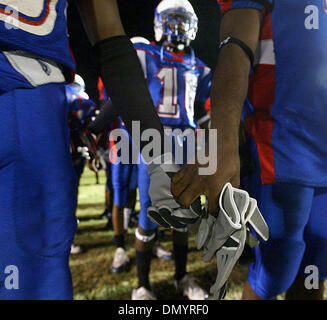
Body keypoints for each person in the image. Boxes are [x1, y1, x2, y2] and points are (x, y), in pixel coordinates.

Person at [0, 0, 167, 299]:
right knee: (32, 275)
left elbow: (111, 41)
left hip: (29, 96)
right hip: (26, 93)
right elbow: (110, 40)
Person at [170, 0, 327, 300]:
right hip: (282, 143)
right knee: (278, 267)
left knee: (315, 265)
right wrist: (223, 139)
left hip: (322, 141)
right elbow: (235, 44)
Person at [130, 0, 211, 300]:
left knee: (183, 216)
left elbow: (201, 112)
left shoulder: (201, 67)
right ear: (159, 23)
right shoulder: (145, 53)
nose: (176, 26)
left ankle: (181, 276)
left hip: (186, 147)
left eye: (182, 19)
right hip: (154, 147)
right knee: (148, 220)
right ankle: (142, 285)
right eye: (171, 19)